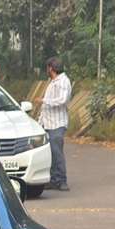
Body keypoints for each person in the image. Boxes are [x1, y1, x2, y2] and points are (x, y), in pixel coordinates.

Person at [39, 56, 72, 191]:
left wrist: (44, 100)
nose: (47, 70)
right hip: (48, 123)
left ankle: (62, 180)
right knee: (51, 152)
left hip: (57, 123)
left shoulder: (63, 81)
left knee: (57, 151)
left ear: (51, 68)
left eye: (47, 68)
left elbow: (62, 100)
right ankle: (54, 179)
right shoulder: (53, 82)